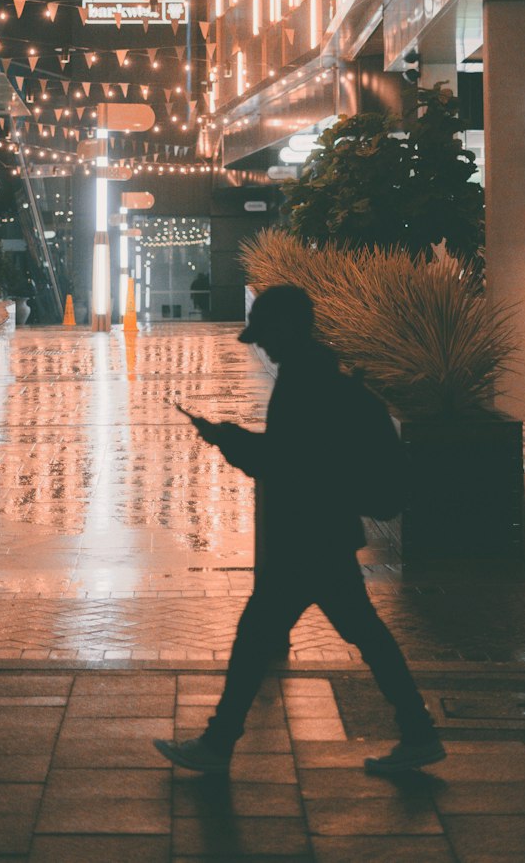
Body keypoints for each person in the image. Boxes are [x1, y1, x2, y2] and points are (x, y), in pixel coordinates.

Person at [154, 284, 444, 777]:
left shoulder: (303, 381)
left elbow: (287, 461)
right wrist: (237, 440)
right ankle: (417, 731)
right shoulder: (318, 373)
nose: (261, 345)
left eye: (265, 334)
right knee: (357, 633)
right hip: (324, 531)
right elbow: (298, 452)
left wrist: (230, 442)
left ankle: (220, 743)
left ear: (287, 328)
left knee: (260, 636)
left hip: (308, 535)